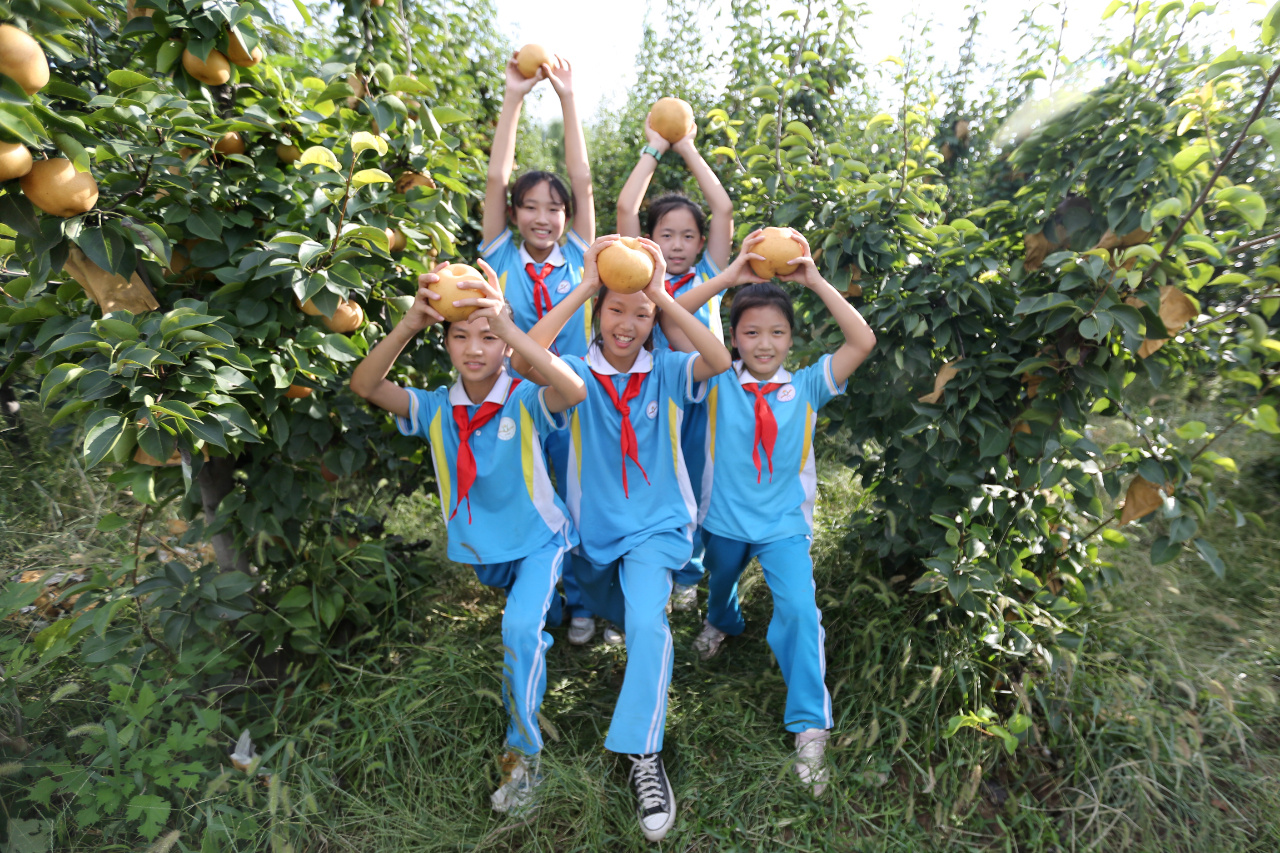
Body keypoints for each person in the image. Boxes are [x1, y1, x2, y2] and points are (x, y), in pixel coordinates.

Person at [511, 235, 732, 843]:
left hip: (657, 527)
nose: (627, 324)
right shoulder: (576, 372)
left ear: (655, 320)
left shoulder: (669, 370)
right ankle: (613, 637)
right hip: (592, 535)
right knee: (617, 613)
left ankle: (644, 754)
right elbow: (524, 363)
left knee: (648, 625)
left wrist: (662, 293)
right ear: (597, 313)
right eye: (615, 309)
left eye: (641, 314)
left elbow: (717, 359)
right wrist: (585, 284)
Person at [349, 261, 587, 814]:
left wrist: (509, 327)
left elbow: (573, 390)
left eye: (488, 337)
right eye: (461, 336)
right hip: (484, 548)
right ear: (446, 343)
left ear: (504, 343)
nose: (475, 349)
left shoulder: (523, 398)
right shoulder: (436, 409)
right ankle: (559, 612)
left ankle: (523, 757)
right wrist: (410, 323)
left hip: (540, 539)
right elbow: (366, 385)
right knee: (529, 616)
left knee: (518, 630)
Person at [675, 229, 877, 796]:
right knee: (721, 583)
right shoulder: (716, 379)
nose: (764, 344)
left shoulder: (808, 386)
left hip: (784, 524)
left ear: (792, 338)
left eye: (777, 333)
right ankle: (723, 621)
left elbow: (862, 341)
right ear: (733, 338)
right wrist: (727, 277)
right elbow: (673, 316)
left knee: (800, 612)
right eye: (751, 332)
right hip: (724, 520)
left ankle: (810, 725)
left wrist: (815, 281)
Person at [479, 48, 600, 646]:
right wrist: (513, 98)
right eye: (530, 206)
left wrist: (568, 99)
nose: (543, 217)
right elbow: (495, 179)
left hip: (572, 392)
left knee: (578, 494)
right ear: (514, 214)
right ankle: (540, 597)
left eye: (554, 208)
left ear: (567, 217)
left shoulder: (581, 253)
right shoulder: (498, 253)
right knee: (529, 496)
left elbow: (582, 179)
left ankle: (584, 602)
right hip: (514, 397)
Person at [614, 110, 735, 617]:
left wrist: (686, 146)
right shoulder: (638, 276)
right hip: (653, 396)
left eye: (688, 236)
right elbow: (626, 207)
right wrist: (654, 148)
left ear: (701, 242)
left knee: (699, 481)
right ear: (650, 241)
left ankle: (689, 570)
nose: (678, 245)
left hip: (705, 399)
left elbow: (722, 208)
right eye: (667, 235)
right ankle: (650, 565)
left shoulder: (710, 273)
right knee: (651, 480)